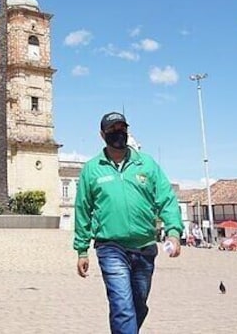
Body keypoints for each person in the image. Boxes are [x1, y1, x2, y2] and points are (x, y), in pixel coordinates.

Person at [74, 112, 183, 334]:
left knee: (138, 306)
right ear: (102, 134)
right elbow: (83, 210)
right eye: (113, 130)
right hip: (110, 247)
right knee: (122, 306)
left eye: (122, 128)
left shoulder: (147, 164)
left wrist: (173, 231)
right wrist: (81, 250)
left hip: (145, 247)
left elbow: (167, 198)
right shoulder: (92, 169)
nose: (118, 133)